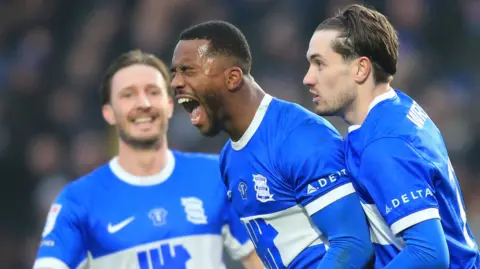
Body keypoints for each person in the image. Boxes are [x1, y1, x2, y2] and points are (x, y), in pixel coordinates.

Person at [33, 50, 263, 269]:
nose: (143, 104)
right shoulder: (78, 201)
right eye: (128, 94)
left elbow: (260, 257)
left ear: (170, 106)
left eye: (153, 92)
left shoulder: (217, 175)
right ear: (109, 113)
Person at [171, 20, 373, 269]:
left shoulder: (299, 137)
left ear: (233, 78)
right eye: (175, 73)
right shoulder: (229, 159)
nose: (175, 83)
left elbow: (353, 243)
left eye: (188, 71)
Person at [303, 4, 480, 269]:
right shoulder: (394, 109)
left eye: (320, 64)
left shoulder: (384, 146)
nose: (308, 78)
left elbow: (429, 253)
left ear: (361, 70)